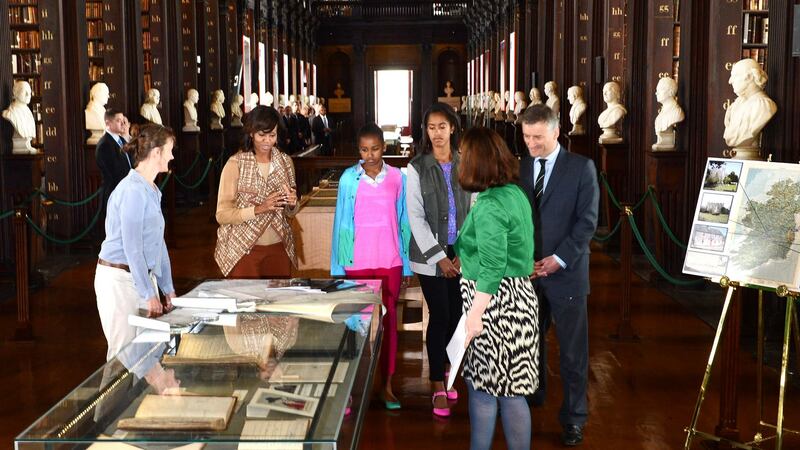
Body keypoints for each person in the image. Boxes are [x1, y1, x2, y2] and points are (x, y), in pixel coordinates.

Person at [518, 104, 599, 447]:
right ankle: (534, 392)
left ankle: (574, 418)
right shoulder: (519, 166)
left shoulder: (582, 168)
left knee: (572, 353)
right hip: (527, 273)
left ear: (556, 132)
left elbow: (587, 222)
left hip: (566, 274)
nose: (531, 144)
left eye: (537, 137)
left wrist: (559, 259)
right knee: (529, 341)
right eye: (526, 137)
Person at [456, 127, 539, 450]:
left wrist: (475, 316)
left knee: (487, 391)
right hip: (516, 299)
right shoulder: (514, 193)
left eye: (463, 154)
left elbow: (492, 267)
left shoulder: (490, 204)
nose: (460, 159)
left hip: (496, 307)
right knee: (509, 390)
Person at [330, 123, 412, 409]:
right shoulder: (348, 179)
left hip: (390, 260)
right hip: (357, 262)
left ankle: (386, 385)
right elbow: (340, 223)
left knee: (388, 325)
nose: (370, 155)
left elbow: (404, 222)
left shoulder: (398, 179)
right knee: (355, 325)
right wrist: (338, 268)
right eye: (364, 150)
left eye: (375, 148)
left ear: (384, 147)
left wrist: (408, 266)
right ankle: (351, 387)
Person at [407, 102, 472, 417]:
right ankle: (435, 383)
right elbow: (415, 217)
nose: (436, 133)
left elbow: (474, 208)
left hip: (461, 253)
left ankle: (448, 370)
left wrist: (462, 251)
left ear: (453, 128)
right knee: (441, 314)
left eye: (442, 127)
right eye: (431, 127)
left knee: (458, 316)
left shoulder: (466, 163)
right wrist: (439, 257)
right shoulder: (416, 167)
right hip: (428, 257)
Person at [94, 124, 177, 361]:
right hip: (118, 282)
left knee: (148, 352)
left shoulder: (149, 188)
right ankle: (109, 400)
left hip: (139, 278)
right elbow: (132, 248)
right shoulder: (132, 190)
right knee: (122, 357)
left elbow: (157, 244)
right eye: (169, 150)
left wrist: (167, 289)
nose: (171, 156)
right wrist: (148, 292)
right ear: (157, 152)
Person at [214, 105, 299, 278]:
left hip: (279, 247)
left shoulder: (285, 162)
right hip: (243, 248)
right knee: (248, 303)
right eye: (262, 135)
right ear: (251, 133)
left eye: (272, 135)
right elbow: (222, 215)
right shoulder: (235, 163)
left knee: (278, 303)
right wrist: (259, 208)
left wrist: (292, 203)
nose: (267, 141)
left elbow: (291, 213)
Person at [96, 109, 134, 215]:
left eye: (123, 120)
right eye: (118, 120)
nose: (122, 123)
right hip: (115, 195)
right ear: (108, 123)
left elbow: (131, 163)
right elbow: (115, 174)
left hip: (126, 192)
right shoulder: (105, 145)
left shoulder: (121, 140)